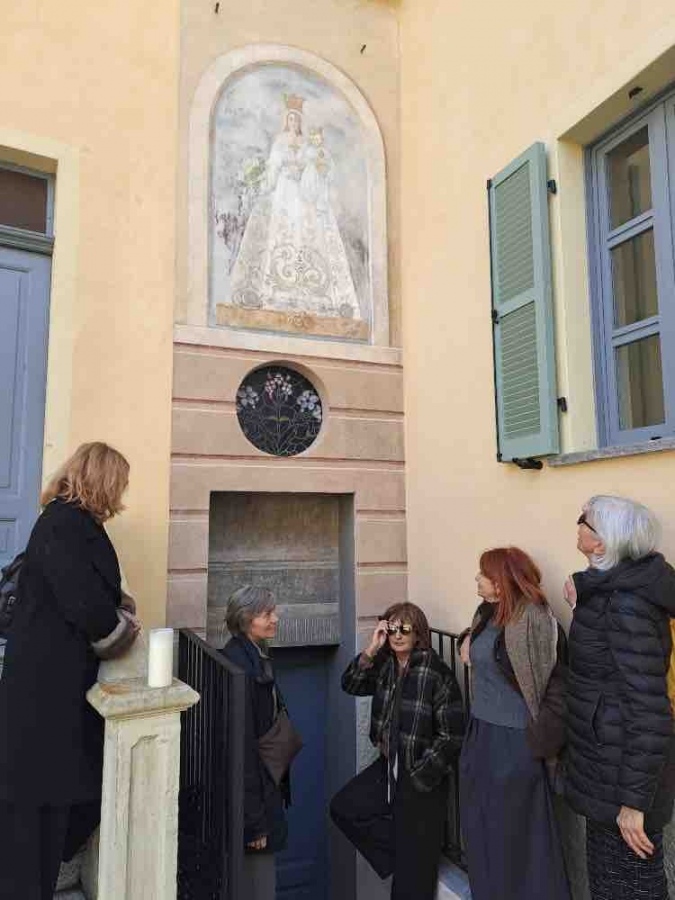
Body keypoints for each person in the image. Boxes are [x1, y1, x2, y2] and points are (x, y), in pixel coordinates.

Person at [0, 442, 140, 900]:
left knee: (52, 804)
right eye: (118, 482)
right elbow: (88, 608)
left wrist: (114, 609)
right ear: (102, 481)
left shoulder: (68, 524)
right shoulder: (64, 525)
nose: (121, 493)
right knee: (34, 815)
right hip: (44, 694)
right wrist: (123, 626)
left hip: (51, 689)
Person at [563, 496, 675, 900]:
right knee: (610, 886)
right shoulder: (608, 590)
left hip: (623, 785)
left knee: (632, 889)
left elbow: (649, 711)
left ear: (603, 545)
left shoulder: (626, 605)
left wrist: (633, 803)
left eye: (584, 521)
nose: (577, 526)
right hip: (604, 770)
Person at [330, 602, 465, 900]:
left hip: (421, 777)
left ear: (418, 633)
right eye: (391, 628)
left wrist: (418, 776)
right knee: (345, 808)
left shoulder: (436, 673)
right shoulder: (385, 665)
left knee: (410, 888)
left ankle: (414, 856)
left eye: (405, 628)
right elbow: (350, 683)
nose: (397, 634)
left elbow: (451, 736)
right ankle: (409, 852)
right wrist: (371, 649)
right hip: (389, 769)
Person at [458, 546, 570, 900]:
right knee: (481, 828)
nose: (476, 578)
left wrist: (542, 740)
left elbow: (552, 677)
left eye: (482, 574)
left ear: (501, 580)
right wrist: (466, 639)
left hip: (515, 740)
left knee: (518, 834)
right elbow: (490, 651)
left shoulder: (533, 617)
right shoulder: (486, 613)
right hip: (480, 734)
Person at [219, 586, 290, 900]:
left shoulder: (255, 654)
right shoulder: (240, 668)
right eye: (267, 614)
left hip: (265, 787)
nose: (275, 618)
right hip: (256, 801)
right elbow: (242, 751)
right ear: (247, 619)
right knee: (258, 886)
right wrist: (255, 822)